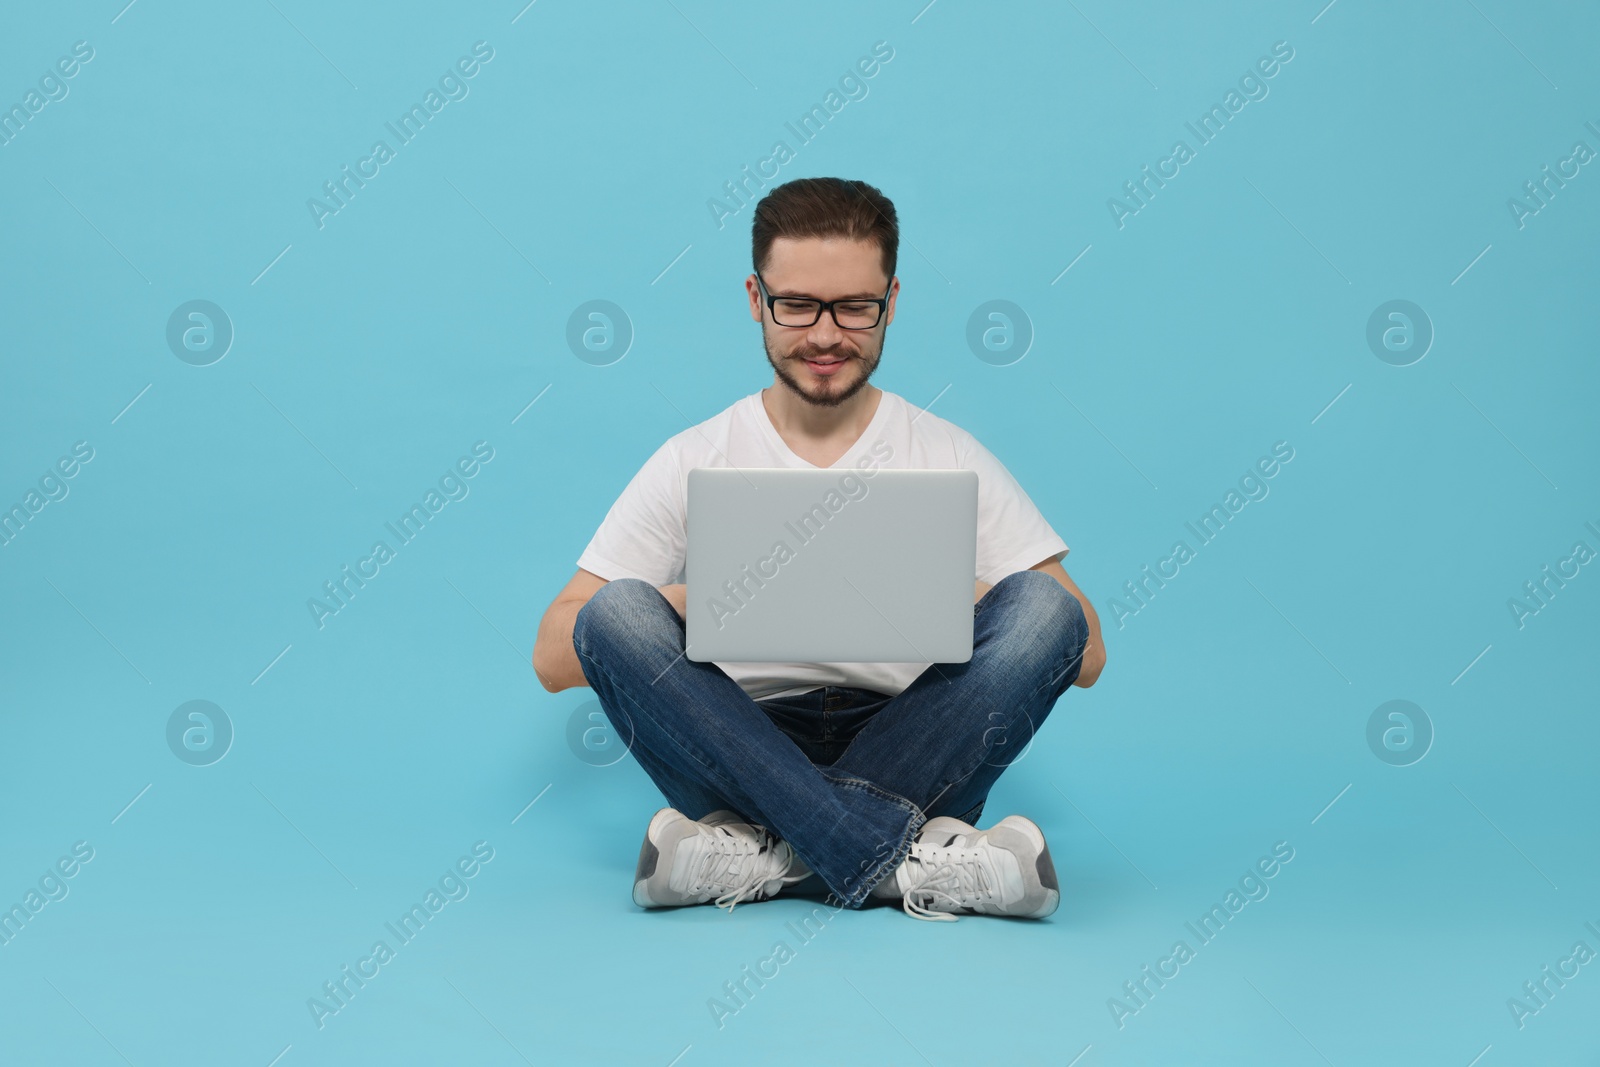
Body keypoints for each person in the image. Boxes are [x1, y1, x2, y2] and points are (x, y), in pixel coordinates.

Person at [532, 177, 1106, 922]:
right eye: (797, 304)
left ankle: (768, 854)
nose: (826, 334)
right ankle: (898, 862)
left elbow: (1080, 649)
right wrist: (713, 598)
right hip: (737, 743)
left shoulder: (948, 454)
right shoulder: (693, 456)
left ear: (892, 302)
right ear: (754, 298)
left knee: (1042, 607)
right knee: (615, 612)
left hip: (922, 744)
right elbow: (557, 652)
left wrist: (926, 585)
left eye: (855, 308)